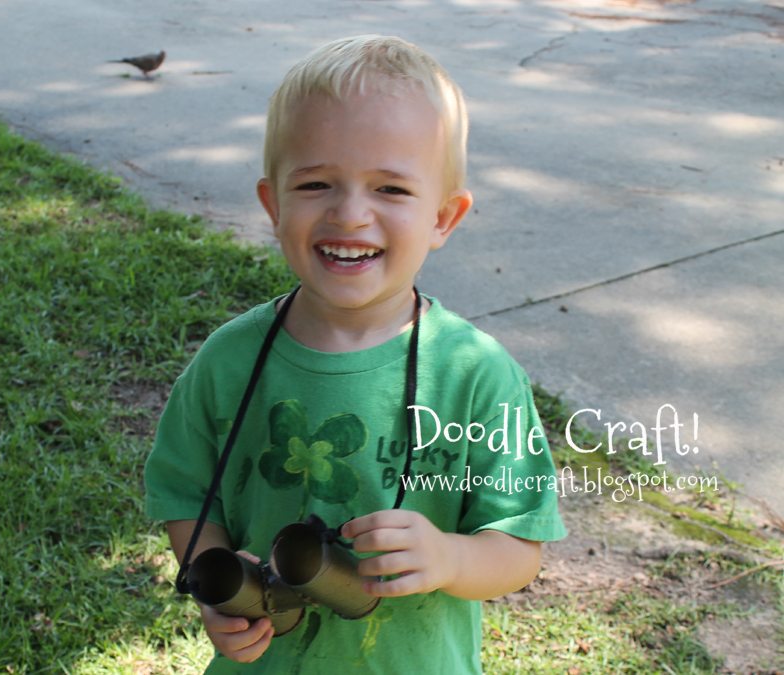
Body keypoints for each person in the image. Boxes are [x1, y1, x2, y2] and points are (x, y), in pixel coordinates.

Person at [144, 35, 567, 673]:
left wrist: (451, 558)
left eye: (391, 190)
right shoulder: (230, 361)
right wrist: (215, 591)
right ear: (273, 204)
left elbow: (519, 548)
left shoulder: (475, 377)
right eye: (315, 183)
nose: (350, 214)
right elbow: (183, 491)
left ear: (443, 217)